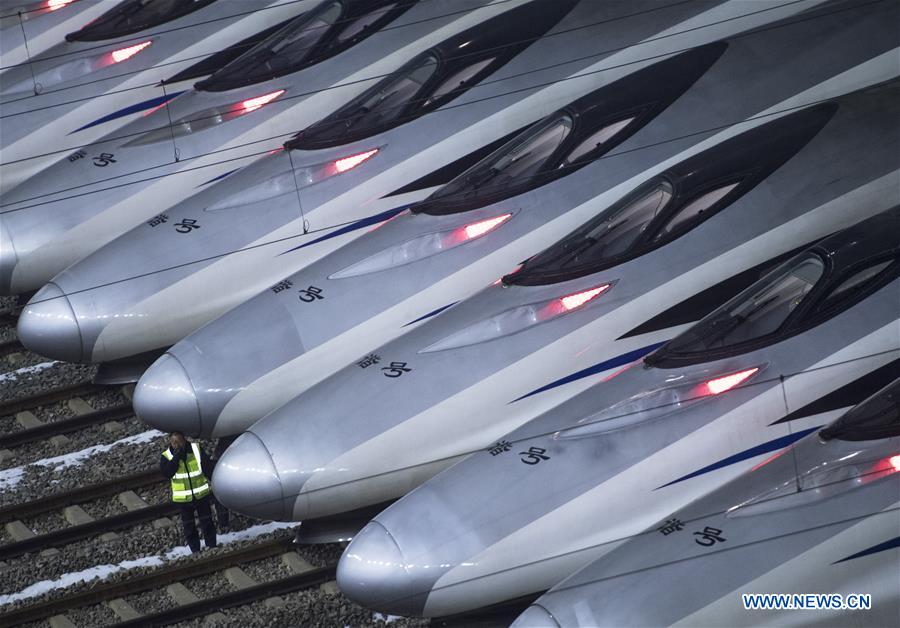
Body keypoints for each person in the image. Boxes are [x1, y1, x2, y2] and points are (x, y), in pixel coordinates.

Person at [159, 432, 217, 553]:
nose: (176, 445)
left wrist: (216, 481)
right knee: (189, 526)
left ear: (184, 440)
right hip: (183, 498)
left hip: (201, 494)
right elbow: (167, 473)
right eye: (173, 442)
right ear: (170, 442)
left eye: (179, 441)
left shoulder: (196, 449)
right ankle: (195, 550)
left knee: (207, 521)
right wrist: (176, 458)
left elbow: (207, 467)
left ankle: (212, 546)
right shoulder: (167, 456)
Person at [211, 435, 237, 530]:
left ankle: (223, 522)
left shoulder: (225, 435)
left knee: (220, 495)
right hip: (225, 460)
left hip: (220, 460)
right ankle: (223, 522)